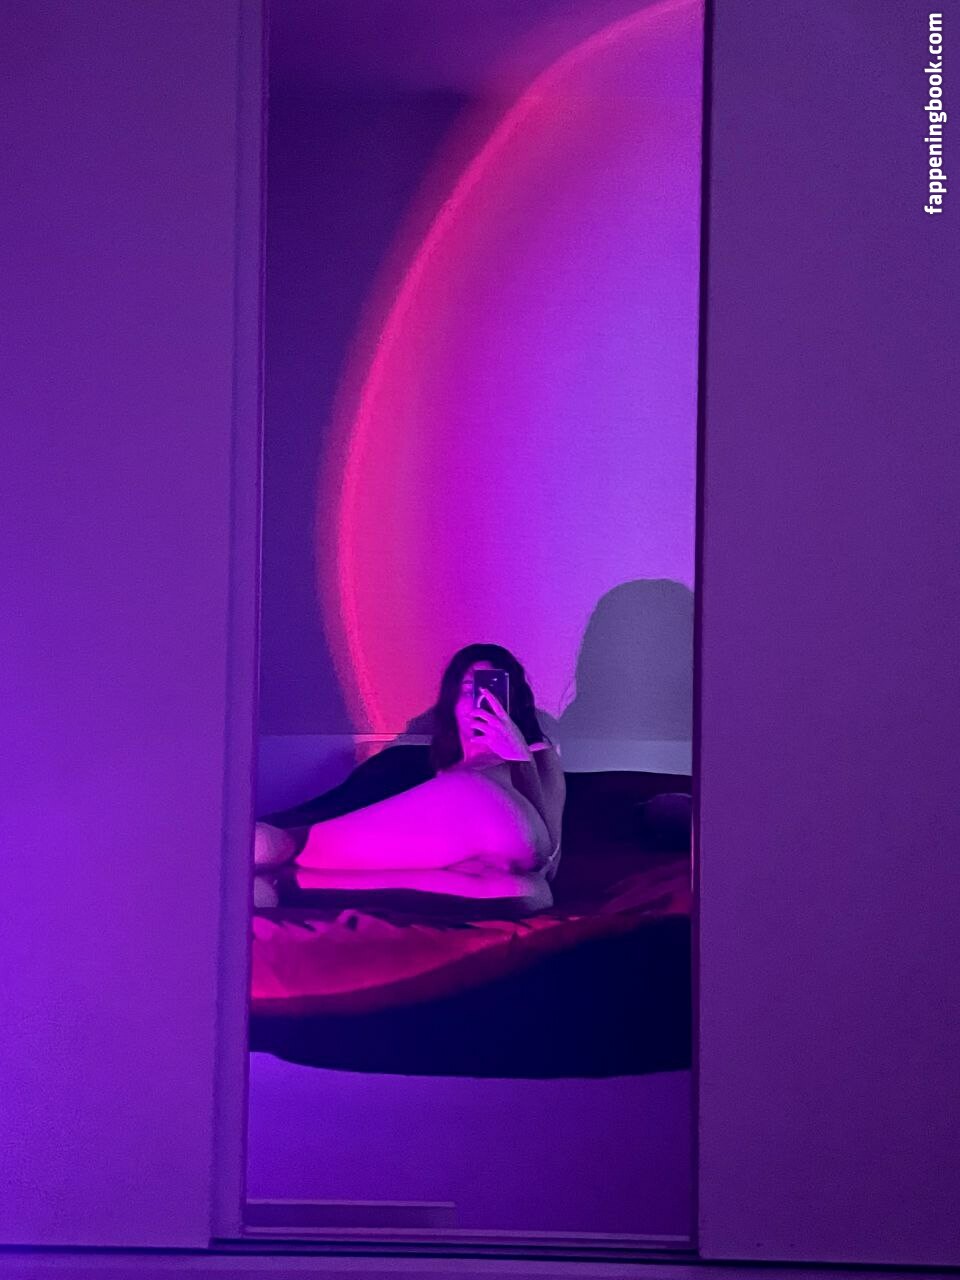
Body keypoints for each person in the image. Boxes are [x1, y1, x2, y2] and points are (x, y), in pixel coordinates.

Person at [253, 644, 566, 912]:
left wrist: (519, 756)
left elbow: (548, 852)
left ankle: (277, 843)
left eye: (491, 690)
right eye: (468, 690)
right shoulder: (441, 767)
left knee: (289, 845)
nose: (477, 703)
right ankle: (285, 884)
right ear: (451, 702)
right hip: (494, 863)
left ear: (512, 701)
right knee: (526, 892)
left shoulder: (536, 751)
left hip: (504, 825)